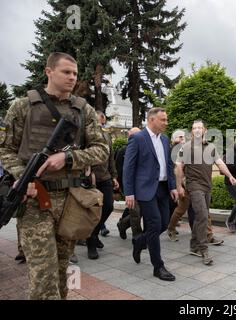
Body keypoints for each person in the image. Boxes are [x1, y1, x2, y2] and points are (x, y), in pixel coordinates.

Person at [0, 52, 108, 299]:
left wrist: (68, 158)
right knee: (43, 274)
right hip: (35, 201)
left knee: (61, 270)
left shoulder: (83, 110)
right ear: (49, 71)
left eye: (75, 73)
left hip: (70, 201)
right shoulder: (23, 106)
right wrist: (21, 177)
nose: (72, 77)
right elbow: (5, 149)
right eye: (66, 72)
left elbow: (101, 149)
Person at [123, 108, 178, 281]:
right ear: (151, 120)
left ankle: (139, 241)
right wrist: (129, 192)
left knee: (163, 223)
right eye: (163, 120)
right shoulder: (138, 138)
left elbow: (168, 165)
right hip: (145, 189)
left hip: (162, 188)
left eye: (166, 119)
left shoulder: (164, 139)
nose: (166, 123)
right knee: (154, 224)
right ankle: (158, 266)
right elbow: (128, 167)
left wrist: (173, 186)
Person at [176, 120, 236, 265]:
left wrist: (230, 175)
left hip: (207, 186)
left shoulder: (210, 147)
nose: (197, 130)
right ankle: (204, 249)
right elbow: (178, 167)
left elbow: (220, 163)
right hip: (194, 186)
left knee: (200, 217)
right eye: (194, 128)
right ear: (191, 131)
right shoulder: (185, 147)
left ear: (205, 130)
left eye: (199, 127)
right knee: (203, 216)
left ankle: (193, 245)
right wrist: (179, 186)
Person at [84, 111, 119, 259]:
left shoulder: (106, 137)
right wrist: (86, 172)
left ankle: (93, 234)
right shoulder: (85, 135)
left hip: (105, 177)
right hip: (89, 179)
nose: (100, 125)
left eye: (102, 123)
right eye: (97, 122)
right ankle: (91, 241)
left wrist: (114, 176)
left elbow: (111, 157)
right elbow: (82, 154)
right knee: (92, 211)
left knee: (108, 207)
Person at [116, 127, 143, 240]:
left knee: (140, 211)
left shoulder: (144, 149)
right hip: (130, 186)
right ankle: (137, 236)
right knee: (135, 212)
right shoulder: (123, 151)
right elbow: (119, 170)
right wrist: (125, 189)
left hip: (142, 185)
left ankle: (122, 224)